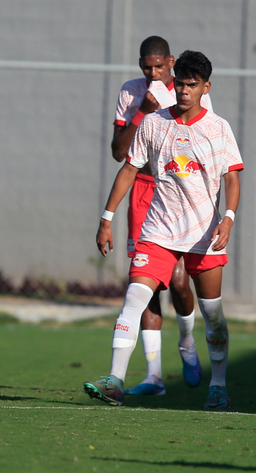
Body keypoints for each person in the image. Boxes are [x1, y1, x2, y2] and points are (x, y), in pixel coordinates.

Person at [85, 50, 243, 409]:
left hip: (205, 235)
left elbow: (232, 177)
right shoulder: (154, 123)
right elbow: (128, 169)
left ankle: (217, 385)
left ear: (205, 87)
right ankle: (115, 380)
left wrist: (229, 217)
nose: (185, 91)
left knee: (213, 314)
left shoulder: (218, 128)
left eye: (192, 85)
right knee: (134, 298)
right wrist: (106, 218)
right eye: (182, 85)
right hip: (158, 231)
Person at [110, 36, 213, 396]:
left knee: (181, 281)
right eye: (145, 66)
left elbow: (207, 145)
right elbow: (118, 152)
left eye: (158, 66)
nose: (152, 72)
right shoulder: (132, 91)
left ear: (170, 62)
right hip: (143, 190)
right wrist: (143, 108)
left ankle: (186, 340)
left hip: (181, 190)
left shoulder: (190, 90)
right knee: (144, 282)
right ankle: (153, 376)